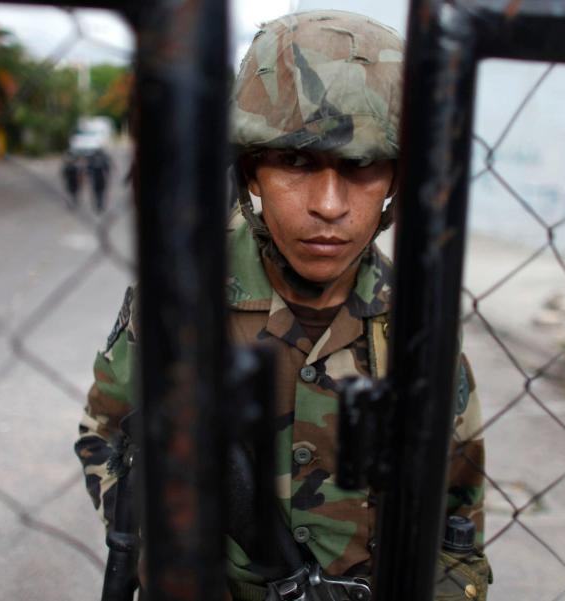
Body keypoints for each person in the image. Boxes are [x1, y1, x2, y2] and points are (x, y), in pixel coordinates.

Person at [75, 10, 491, 600]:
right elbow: (106, 435)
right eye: (296, 162)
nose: (328, 205)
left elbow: (459, 517)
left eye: (361, 166)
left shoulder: (417, 327)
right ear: (251, 169)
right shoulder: (185, 300)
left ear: (398, 178)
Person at [87, 148, 111, 212]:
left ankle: (99, 204)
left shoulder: (93, 160)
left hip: (98, 179)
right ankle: (99, 204)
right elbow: (107, 169)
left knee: (99, 193)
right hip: (98, 179)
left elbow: (88, 170)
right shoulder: (100, 160)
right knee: (99, 193)